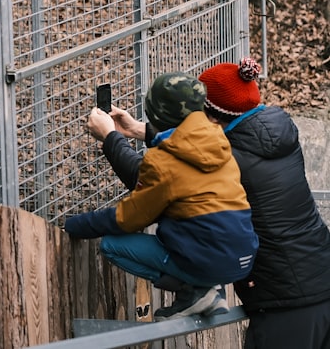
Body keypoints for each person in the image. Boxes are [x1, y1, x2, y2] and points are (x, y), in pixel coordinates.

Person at [95, 58, 330, 347]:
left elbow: (149, 178)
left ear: (213, 118)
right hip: (319, 281)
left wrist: (110, 137)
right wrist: (143, 132)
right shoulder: (277, 133)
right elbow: (200, 147)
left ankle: (194, 290)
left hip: (287, 304)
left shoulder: (228, 160)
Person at [64, 72, 258, 320]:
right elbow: (179, 144)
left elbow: (128, 219)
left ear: (156, 115)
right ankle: (206, 289)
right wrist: (134, 131)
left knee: (112, 245)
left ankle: (192, 290)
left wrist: (72, 226)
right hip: (243, 258)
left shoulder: (162, 162)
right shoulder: (218, 141)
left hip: (209, 260)